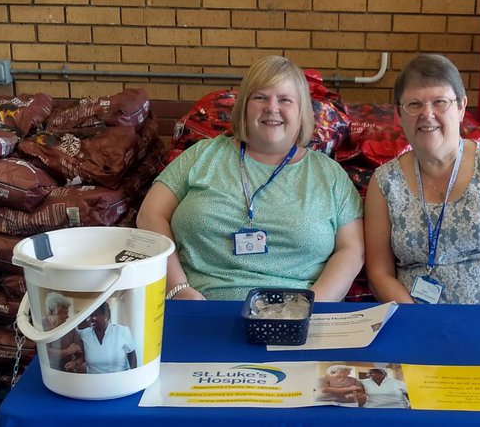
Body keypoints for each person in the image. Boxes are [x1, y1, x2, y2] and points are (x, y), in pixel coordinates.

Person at [137, 55, 364, 301]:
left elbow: (351, 250)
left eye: (285, 99)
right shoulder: (202, 155)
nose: (272, 107)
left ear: (302, 112)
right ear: (244, 106)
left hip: (296, 320)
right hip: (200, 309)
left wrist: (309, 306)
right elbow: (150, 214)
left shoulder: (329, 175)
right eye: (260, 97)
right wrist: (177, 288)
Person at [363, 53, 480, 305]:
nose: (427, 114)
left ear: (461, 107)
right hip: (421, 326)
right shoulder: (385, 182)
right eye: (414, 105)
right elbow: (379, 273)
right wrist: (419, 324)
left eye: (440, 102)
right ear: (399, 113)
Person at [79, 302, 137, 374]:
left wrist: (132, 376)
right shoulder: (84, 334)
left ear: (106, 316)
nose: (90, 319)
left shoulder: (121, 331)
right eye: (89, 316)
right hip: (94, 381)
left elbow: (132, 356)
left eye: (94, 315)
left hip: (119, 380)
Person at [42, 291, 86, 374]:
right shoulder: (41, 326)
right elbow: (44, 352)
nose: (67, 316)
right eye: (64, 312)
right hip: (47, 371)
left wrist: (75, 363)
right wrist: (68, 351)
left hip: (66, 372)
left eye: (67, 312)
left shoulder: (70, 329)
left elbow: (81, 354)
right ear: (51, 313)